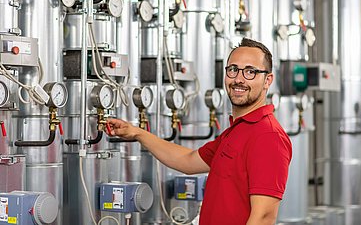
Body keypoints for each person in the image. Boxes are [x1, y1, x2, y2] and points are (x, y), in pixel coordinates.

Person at [107, 38, 292, 225]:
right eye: (233, 69)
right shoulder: (237, 130)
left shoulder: (268, 137)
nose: (238, 79)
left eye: (250, 72)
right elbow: (187, 160)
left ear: (268, 80)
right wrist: (137, 133)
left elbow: (263, 217)